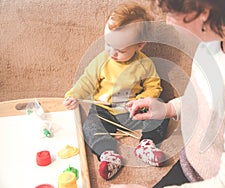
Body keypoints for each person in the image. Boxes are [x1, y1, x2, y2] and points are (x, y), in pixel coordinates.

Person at [111, 0, 225, 187]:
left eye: (170, 12)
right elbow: (222, 99)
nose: (167, 22)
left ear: (201, 8)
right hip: (193, 167)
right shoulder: (223, 19)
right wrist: (170, 108)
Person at [63, 2, 169, 180]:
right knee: (90, 126)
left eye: (120, 50)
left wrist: (142, 100)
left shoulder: (144, 64)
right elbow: (87, 81)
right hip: (106, 112)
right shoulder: (101, 61)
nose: (112, 52)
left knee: (162, 108)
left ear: (140, 45)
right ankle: (109, 154)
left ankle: (147, 145)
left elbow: (154, 86)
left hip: (134, 112)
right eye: (108, 44)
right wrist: (74, 95)